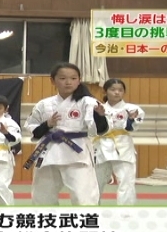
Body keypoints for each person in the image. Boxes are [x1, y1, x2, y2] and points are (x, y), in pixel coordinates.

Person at [24, 62, 110, 205]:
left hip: (77, 153)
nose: (68, 82)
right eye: (63, 78)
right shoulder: (44, 104)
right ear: (53, 80)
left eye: (73, 78)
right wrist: (47, 124)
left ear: (79, 80)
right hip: (48, 152)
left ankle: (84, 219)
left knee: (83, 196)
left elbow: (101, 130)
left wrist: (100, 116)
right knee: (43, 196)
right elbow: (33, 129)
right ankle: (47, 218)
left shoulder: (88, 102)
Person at [93, 78, 145, 205]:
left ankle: (125, 213)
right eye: (113, 89)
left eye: (120, 90)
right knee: (95, 182)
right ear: (105, 92)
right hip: (101, 147)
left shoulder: (132, 109)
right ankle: (93, 210)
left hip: (123, 148)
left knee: (126, 182)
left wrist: (130, 120)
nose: (117, 92)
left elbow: (131, 128)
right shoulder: (98, 108)